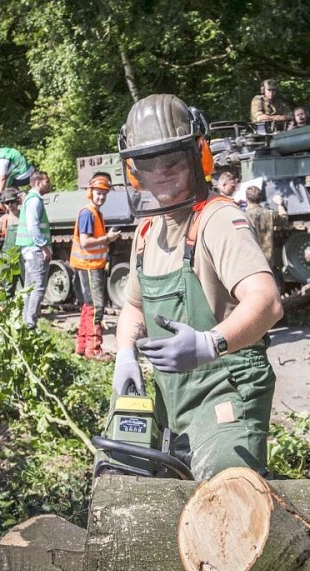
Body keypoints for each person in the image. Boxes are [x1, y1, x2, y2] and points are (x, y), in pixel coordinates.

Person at [114, 94, 284, 480]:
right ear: (134, 169)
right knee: (123, 479)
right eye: (148, 163)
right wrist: (125, 354)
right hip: (172, 395)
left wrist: (210, 343)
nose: (161, 172)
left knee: (227, 488)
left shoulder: (218, 218)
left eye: (172, 159)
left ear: (198, 155)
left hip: (224, 387)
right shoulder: (146, 231)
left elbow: (267, 301)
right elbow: (134, 308)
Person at [69, 173, 121, 359]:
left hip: (91, 265)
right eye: (98, 193)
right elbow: (85, 242)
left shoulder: (95, 213)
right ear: (90, 192)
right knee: (96, 308)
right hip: (89, 266)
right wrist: (108, 238)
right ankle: (94, 350)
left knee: (88, 305)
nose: (101, 197)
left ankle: (82, 346)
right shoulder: (88, 213)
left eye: (104, 194)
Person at [14, 170, 52, 329]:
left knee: (29, 288)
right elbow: (33, 226)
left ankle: (26, 322)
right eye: (46, 182)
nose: (49, 184)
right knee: (38, 288)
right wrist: (44, 246)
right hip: (35, 249)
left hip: (29, 249)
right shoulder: (35, 201)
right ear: (37, 183)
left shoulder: (29, 199)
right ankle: (30, 324)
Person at [244, 186, 288, 277]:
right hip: (268, 259)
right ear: (260, 199)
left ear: (246, 200)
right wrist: (280, 204)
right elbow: (284, 219)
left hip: (250, 260)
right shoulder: (270, 214)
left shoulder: (243, 216)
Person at [0, 187, 23, 295]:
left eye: (12, 202)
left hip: (23, 255)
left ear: (17, 202)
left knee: (26, 284)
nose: (10, 205)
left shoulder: (24, 216)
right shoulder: (4, 219)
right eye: (7, 203)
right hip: (8, 257)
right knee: (8, 285)